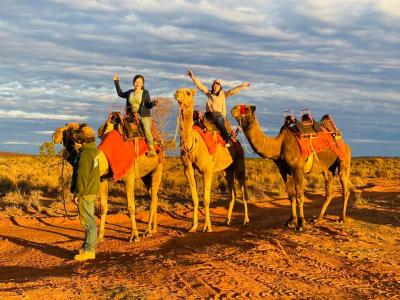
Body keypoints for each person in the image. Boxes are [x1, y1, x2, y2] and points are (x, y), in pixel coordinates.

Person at [187, 69, 250, 147]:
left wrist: (241, 86)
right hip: (209, 116)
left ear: (220, 87)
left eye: (217, 85)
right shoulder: (209, 93)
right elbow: (200, 86)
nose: (215, 86)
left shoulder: (223, 94)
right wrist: (193, 77)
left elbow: (232, 91)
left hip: (219, 116)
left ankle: (227, 139)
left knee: (219, 120)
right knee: (195, 116)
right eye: (214, 85)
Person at [70, 126, 100, 261]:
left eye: (76, 141)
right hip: (90, 190)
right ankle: (87, 246)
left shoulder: (86, 154)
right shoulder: (92, 151)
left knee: (88, 222)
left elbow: (82, 175)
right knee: (90, 220)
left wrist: (78, 193)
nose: (74, 143)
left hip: (85, 192)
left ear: (82, 141)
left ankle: (89, 250)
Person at [113, 73, 158, 156]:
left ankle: (151, 149)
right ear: (134, 83)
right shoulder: (130, 92)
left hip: (143, 116)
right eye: (136, 82)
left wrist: (153, 103)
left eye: (140, 82)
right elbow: (120, 94)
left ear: (142, 84)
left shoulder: (145, 92)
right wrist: (116, 81)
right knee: (118, 126)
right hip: (130, 116)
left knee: (145, 128)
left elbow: (148, 105)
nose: (138, 84)